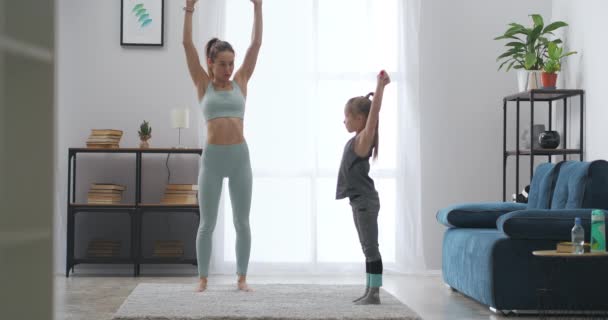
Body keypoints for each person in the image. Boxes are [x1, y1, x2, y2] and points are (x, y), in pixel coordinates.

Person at [182, 0, 263, 292]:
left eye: (231, 63)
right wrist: (189, 9)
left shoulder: (241, 80)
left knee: (242, 222)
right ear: (211, 64)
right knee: (207, 223)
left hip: (240, 158)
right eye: (222, 64)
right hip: (213, 161)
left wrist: (258, 6)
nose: (228, 69)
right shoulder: (204, 85)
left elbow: (255, 45)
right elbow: (187, 45)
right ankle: (203, 279)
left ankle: (241, 278)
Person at [336, 70, 391, 304]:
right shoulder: (355, 139)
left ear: (360, 119)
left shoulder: (363, 139)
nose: (344, 121)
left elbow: (375, 112)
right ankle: (370, 290)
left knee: (371, 248)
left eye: (347, 117)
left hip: (366, 202)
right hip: (358, 201)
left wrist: (380, 86)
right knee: (367, 247)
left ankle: (375, 293)